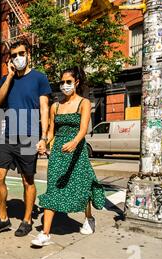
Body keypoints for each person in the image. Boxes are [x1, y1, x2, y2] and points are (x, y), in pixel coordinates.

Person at [31, 67, 106, 247]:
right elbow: (50, 132)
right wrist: (43, 142)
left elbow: (83, 129)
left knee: (82, 186)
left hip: (77, 152)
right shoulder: (55, 106)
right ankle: (45, 233)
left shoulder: (84, 103)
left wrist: (74, 142)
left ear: (76, 83)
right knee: (53, 188)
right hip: (58, 153)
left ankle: (89, 218)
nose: (64, 85)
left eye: (68, 82)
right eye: (62, 82)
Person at [0, 39, 51, 237]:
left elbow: (44, 108)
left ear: (28, 54)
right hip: (7, 136)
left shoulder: (39, 78)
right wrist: (9, 77)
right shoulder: (7, 78)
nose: (17, 58)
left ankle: (27, 219)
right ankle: (3, 219)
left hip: (29, 136)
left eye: (21, 54)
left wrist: (44, 137)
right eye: (13, 55)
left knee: (27, 180)